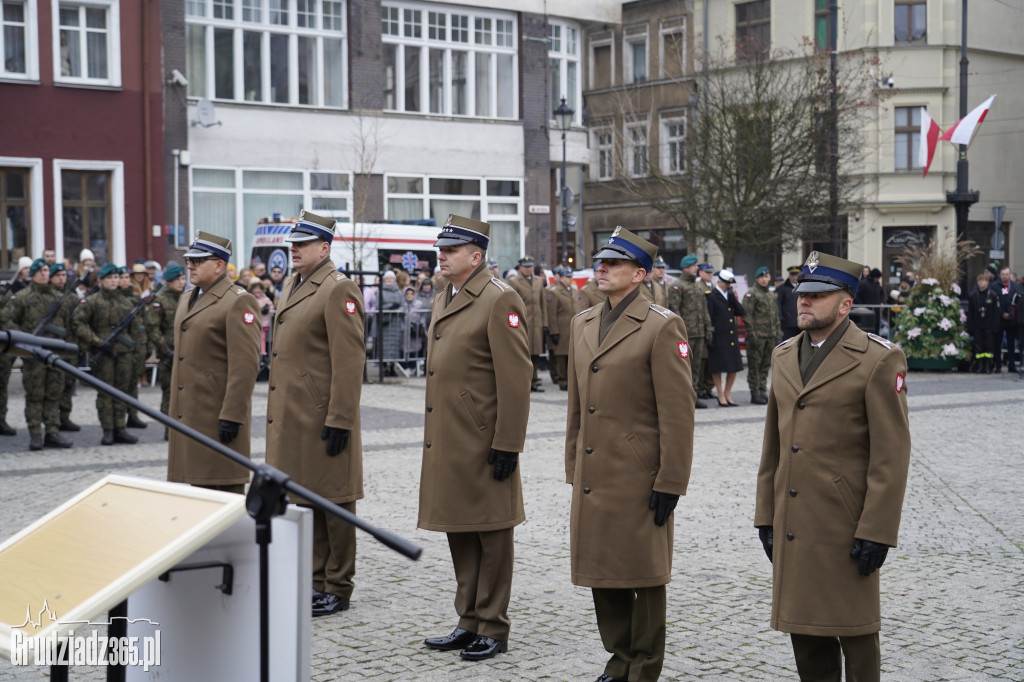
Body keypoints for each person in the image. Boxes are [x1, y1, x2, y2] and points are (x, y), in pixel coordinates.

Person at [755, 251, 911, 682]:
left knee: (856, 630)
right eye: (802, 293)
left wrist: (878, 529)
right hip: (794, 517)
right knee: (803, 628)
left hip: (846, 521)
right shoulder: (784, 355)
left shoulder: (878, 358)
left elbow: (891, 454)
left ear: (845, 304)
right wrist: (765, 515)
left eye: (818, 295)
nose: (804, 301)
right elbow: (774, 443)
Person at [565, 227, 695, 682]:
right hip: (594, 471)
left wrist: (671, 481)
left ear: (639, 274)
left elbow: (678, 413)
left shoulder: (662, 325)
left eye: (614, 263)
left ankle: (643, 667)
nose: (601, 268)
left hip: (640, 474)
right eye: (600, 261)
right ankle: (618, 659)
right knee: (602, 571)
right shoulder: (582, 323)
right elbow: (577, 405)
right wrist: (573, 465)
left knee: (643, 575)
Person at [419, 214, 531, 662]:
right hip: (450, 437)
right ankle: (467, 620)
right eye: (440, 250)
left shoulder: (500, 299)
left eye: (450, 250)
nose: (441, 256)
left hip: (484, 438)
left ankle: (493, 625)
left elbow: (516, 378)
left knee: (491, 532)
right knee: (459, 528)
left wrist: (508, 442)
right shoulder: (446, 295)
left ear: (476, 256)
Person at [265, 210, 365, 618]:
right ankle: (314, 579)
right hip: (296, 414)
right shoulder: (295, 283)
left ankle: (337, 584)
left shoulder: (338, 289)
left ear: (324, 248)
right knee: (306, 498)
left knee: (334, 500)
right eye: (293, 244)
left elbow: (349, 359)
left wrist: (341, 418)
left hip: (324, 415)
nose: (294, 250)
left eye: (302, 244)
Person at [167, 233, 260, 493]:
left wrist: (232, 414)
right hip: (188, 414)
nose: (190, 266)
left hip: (216, 416)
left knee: (221, 495)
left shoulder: (238, 301)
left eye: (198, 261)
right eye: (189, 260)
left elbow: (245, 365)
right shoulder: (187, 298)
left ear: (219, 265)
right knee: (191, 496)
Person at [5, 259, 73, 450]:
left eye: (46, 270)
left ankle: (52, 432)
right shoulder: (22, 297)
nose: (44, 274)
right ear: (32, 274)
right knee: (35, 395)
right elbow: (9, 322)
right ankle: (35, 434)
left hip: (54, 354)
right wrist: (24, 340)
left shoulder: (60, 298)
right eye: (40, 271)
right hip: (32, 355)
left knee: (54, 394)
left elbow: (69, 323)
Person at [72, 263, 138, 446]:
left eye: (116, 277)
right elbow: (78, 323)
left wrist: (139, 351)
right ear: (101, 280)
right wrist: (97, 342)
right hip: (103, 352)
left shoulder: (127, 302)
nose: (114, 281)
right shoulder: (92, 301)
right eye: (110, 278)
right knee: (105, 393)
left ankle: (120, 428)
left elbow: (137, 330)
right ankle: (108, 430)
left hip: (124, 353)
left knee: (122, 391)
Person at [668, 255, 713, 409]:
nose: (696, 268)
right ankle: (683, 397)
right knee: (683, 367)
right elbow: (674, 310)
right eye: (693, 266)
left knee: (696, 367)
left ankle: (693, 395)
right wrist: (679, 332)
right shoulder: (677, 286)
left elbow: (704, 309)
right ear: (685, 267)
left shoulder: (698, 287)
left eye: (696, 266)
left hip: (699, 332)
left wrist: (708, 327)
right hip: (686, 334)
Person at [147, 264, 186, 429]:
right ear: (169, 281)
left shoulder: (188, 299)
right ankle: (168, 428)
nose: (181, 282)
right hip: (169, 353)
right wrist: (165, 351)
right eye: (177, 279)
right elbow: (152, 328)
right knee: (169, 392)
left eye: (183, 279)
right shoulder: (160, 301)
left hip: (187, 353)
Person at [706, 269, 745, 406]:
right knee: (717, 367)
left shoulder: (729, 295)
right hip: (718, 336)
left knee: (733, 367)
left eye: (729, 284)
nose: (727, 286)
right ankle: (720, 394)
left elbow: (740, 312)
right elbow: (709, 317)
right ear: (718, 281)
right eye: (725, 284)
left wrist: (733, 299)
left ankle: (727, 393)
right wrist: (709, 336)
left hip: (730, 336)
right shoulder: (711, 296)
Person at [509, 255, 548, 392]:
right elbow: (510, 305)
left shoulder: (538, 281)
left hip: (536, 323)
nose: (528, 269)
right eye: (525, 267)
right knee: (524, 353)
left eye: (530, 266)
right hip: (522, 322)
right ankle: (524, 381)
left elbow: (542, 303)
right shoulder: (514, 282)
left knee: (536, 353)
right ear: (520, 268)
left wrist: (545, 323)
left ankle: (534, 379)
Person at [743, 266, 781, 405]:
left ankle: (762, 389)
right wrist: (752, 334)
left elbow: (775, 315)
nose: (764, 280)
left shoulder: (771, 295)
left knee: (765, 365)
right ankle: (755, 393)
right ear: (757, 279)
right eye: (761, 277)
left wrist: (777, 333)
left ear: (769, 277)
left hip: (770, 335)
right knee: (755, 366)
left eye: (766, 277)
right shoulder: (751, 294)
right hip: (757, 336)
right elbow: (747, 315)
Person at [49, 263, 80, 433]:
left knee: (69, 384)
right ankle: (52, 420)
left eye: (63, 275)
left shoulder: (72, 298)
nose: (61, 278)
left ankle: (65, 417)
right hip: (53, 347)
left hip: (69, 346)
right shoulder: (49, 297)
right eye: (57, 275)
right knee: (54, 387)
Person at [118, 266, 149, 428]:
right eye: (121, 277)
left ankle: (133, 414)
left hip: (137, 345)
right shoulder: (116, 299)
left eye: (125, 277)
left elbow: (143, 322)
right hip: (121, 348)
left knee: (132, 382)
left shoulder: (136, 299)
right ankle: (119, 419)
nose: (123, 281)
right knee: (121, 384)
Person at [545, 267, 574, 391]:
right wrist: (554, 331)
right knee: (561, 355)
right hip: (561, 328)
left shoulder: (573, 290)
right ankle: (562, 380)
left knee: (571, 355)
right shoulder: (554, 291)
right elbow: (551, 314)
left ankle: (570, 380)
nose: (570, 279)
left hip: (571, 327)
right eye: (567, 277)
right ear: (561, 278)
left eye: (570, 277)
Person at [967, 272, 1000, 374]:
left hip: (989, 326)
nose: (981, 283)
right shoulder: (973, 296)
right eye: (979, 281)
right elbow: (971, 312)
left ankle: (988, 365)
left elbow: (996, 313)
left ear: (987, 282)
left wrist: (995, 326)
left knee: (989, 346)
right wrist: (970, 326)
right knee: (978, 347)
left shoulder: (993, 295)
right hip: (978, 325)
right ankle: (979, 365)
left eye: (983, 280)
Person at [695, 263, 717, 399]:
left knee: (711, 359)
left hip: (713, 325)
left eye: (711, 272)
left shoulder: (713, 287)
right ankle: (701, 388)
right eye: (706, 272)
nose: (709, 275)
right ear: (701, 273)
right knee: (702, 359)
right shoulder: (698, 287)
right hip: (702, 326)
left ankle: (709, 387)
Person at [378, 270, 404, 365]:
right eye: (387, 278)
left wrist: (398, 310)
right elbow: (378, 307)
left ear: (394, 280)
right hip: (385, 322)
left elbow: (403, 306)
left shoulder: (399, 292)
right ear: (384, 280)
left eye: (391, 278)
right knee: (385, 345)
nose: (389, 280)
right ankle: (384, 367)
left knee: (394, 345)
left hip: (396, 322)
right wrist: (390, 307)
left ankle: (393, 366)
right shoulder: (380, 292)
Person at [996, 267, 1018, 373]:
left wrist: (1010, 313)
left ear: (1010, 275)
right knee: (998, 343)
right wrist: (1002, 313)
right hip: (999, 319)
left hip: (1011, 320)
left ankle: (1011, 365)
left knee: (1011, 344)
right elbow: (995, 303)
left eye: (1006, 274)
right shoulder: (995, 286)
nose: (1005, 276)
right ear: (1000, 275)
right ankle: (998, 365)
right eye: (1003, 274)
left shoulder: (1015, 287)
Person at [777, 265, 802, 340]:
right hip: (788, 324)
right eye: (792, 275)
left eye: (796, 275)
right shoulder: (783, 288)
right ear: (789, 276)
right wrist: (781, 318)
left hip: (801, 322)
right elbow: (778, 304)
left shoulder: (803, 287)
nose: (795, 277)